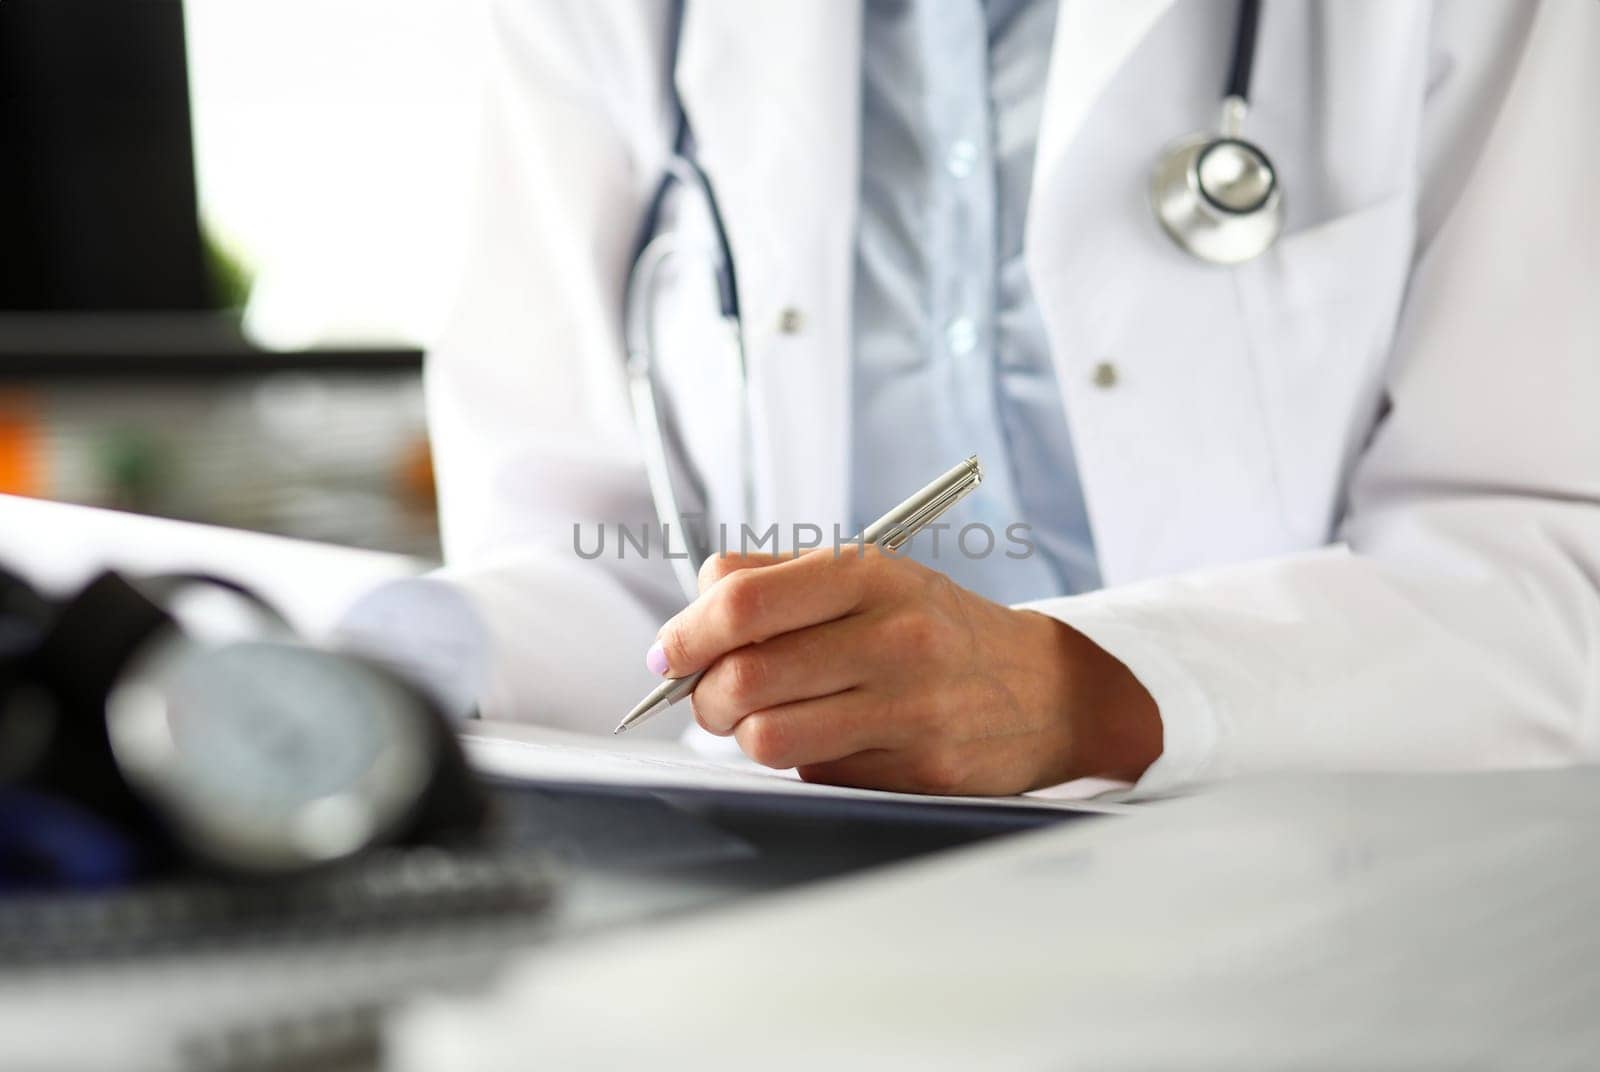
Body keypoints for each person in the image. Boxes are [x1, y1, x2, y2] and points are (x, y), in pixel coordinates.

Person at [411, 0, 1599, 797]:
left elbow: (1550, 567)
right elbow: (595, 550)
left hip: (1318, 923)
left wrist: (1084, 688)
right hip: (777, 934)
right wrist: (392, 662)